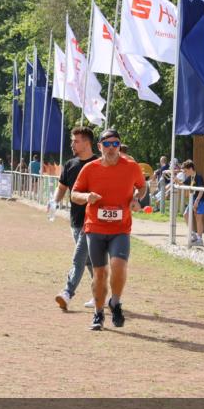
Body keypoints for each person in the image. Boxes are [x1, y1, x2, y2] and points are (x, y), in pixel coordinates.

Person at [71, 128, 146, 331]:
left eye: (115, 144)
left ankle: (116, 302)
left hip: (121, 228)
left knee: (119, 265)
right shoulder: (89, 169)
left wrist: (136, 198)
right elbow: (74, 194)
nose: (112, 148)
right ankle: (98, 313)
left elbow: (142, 185)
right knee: (100, 273)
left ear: (119, 146)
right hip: (95, 227)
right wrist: (87, 197)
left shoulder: (131, 167)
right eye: (107, 144)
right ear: (100, 147)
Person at [53, 126, 99, 312]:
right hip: (76, 220)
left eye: (76, 141)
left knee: (78, 258)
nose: (72, 144)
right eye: (72, 140)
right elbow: (62, 188)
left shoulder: (99, 164)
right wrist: (53, 202)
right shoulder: (70, 164)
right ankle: (100, 294)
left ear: (87, 143)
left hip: (94, 221)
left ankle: (67, 293)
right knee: (89, 261)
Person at [181, 160, 204, 246]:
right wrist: (174, 179)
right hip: (193, 199)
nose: (184, 173)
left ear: (191, 169)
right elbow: (182, 184)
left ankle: (199, 239)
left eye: (185, 171)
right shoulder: (190, 177)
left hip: (200, 200)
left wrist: (197, 201)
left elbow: (201, 190)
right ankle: (193, 234)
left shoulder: (198, 177)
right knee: (186, 214)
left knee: (198, 218)